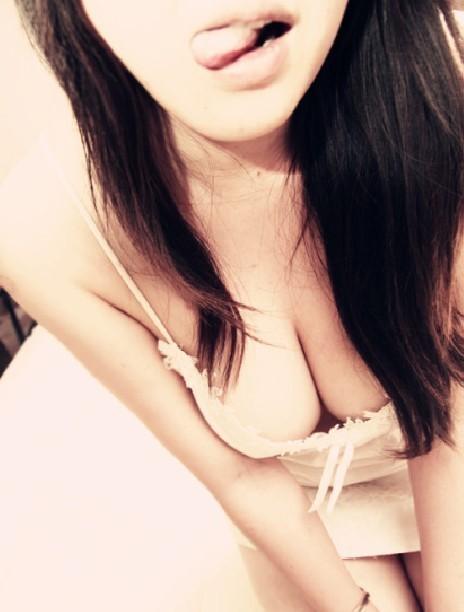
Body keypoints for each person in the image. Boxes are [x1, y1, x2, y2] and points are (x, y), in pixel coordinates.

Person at [1, 1, 464, 610]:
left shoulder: (441, 91)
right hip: (308, 511)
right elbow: (240, 474)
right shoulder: (42, 232)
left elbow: (447, 405)